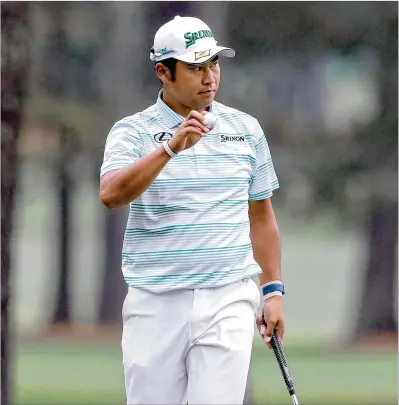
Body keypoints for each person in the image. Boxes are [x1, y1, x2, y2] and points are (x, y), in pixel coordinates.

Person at [99, 15, 285, 405]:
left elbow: (261, 216)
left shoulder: (245, 129)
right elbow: (112, 194)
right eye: (196, 67)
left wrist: (272, 292)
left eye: (213, 64)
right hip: (156, 299)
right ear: (163, 72)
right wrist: (169, 149)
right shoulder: (132, 131)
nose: (209, 77)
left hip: (228, 297)